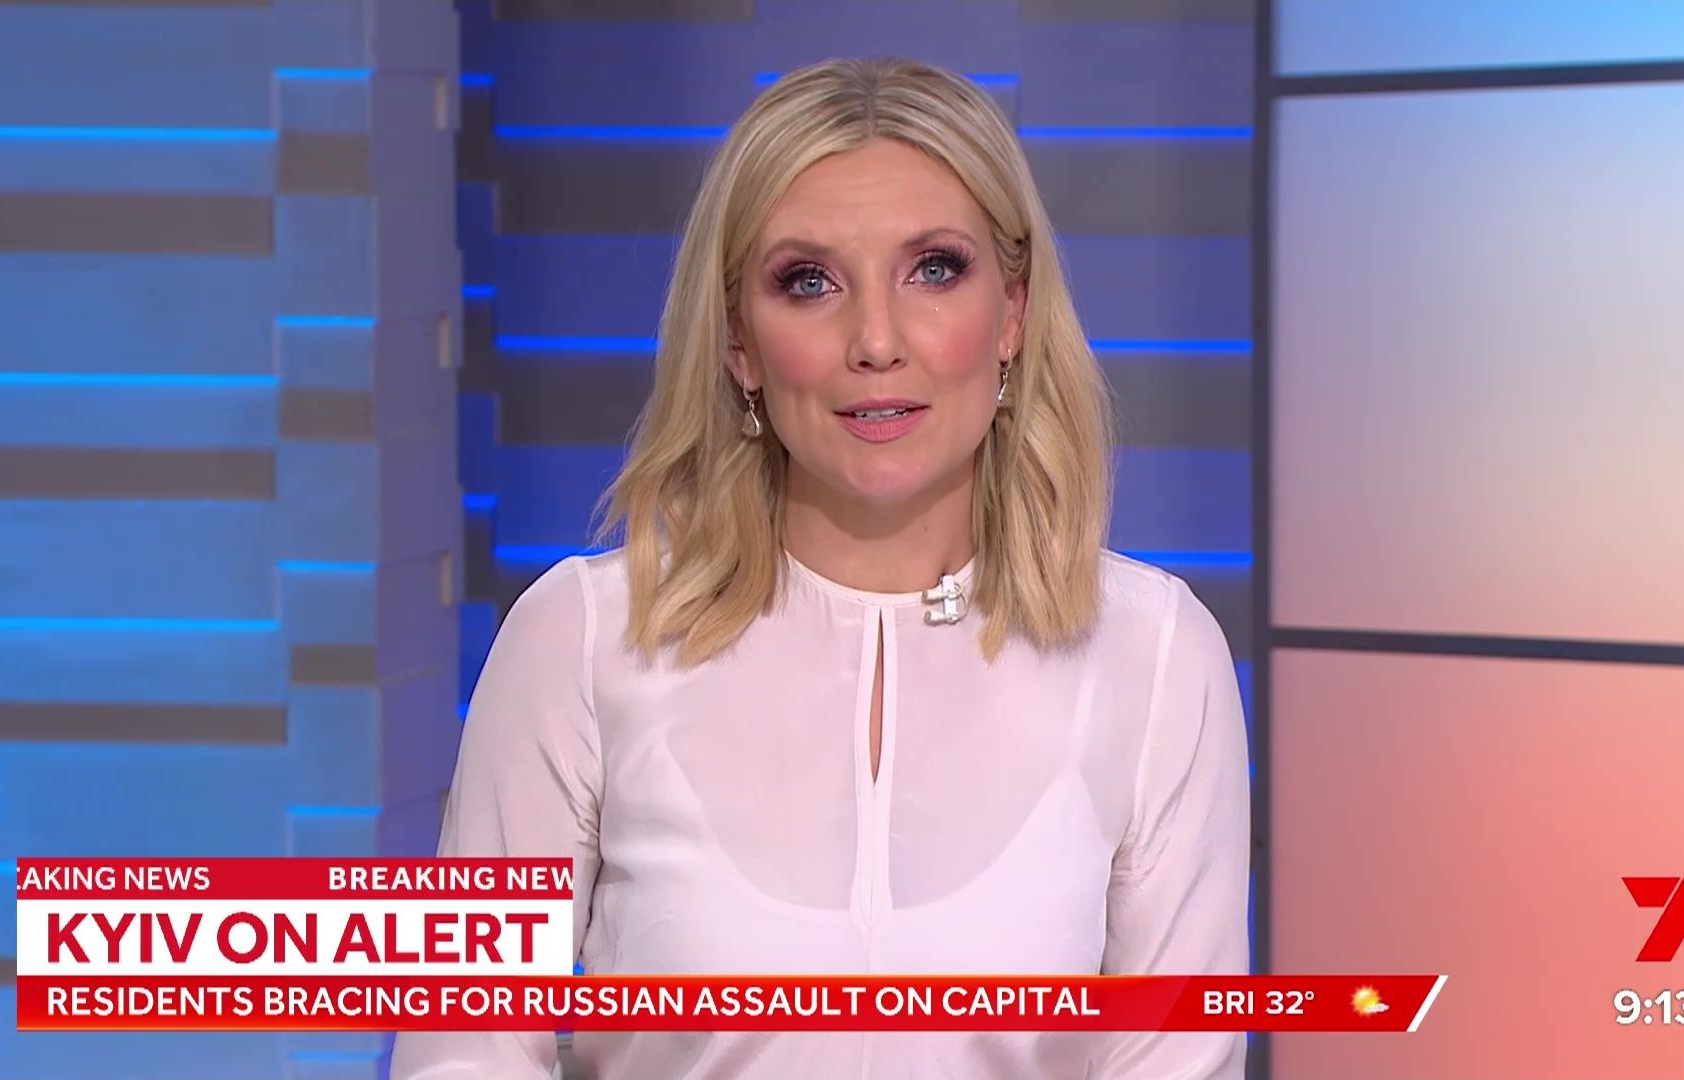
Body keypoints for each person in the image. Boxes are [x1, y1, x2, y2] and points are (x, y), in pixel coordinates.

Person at [392, 56, 1249, 1079]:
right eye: (809, 282)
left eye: (934, 270)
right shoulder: (581, 640)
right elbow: (464, 1052)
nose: (875, 341)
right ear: (740, 341)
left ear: (1014, 312)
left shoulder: (1155, 657)